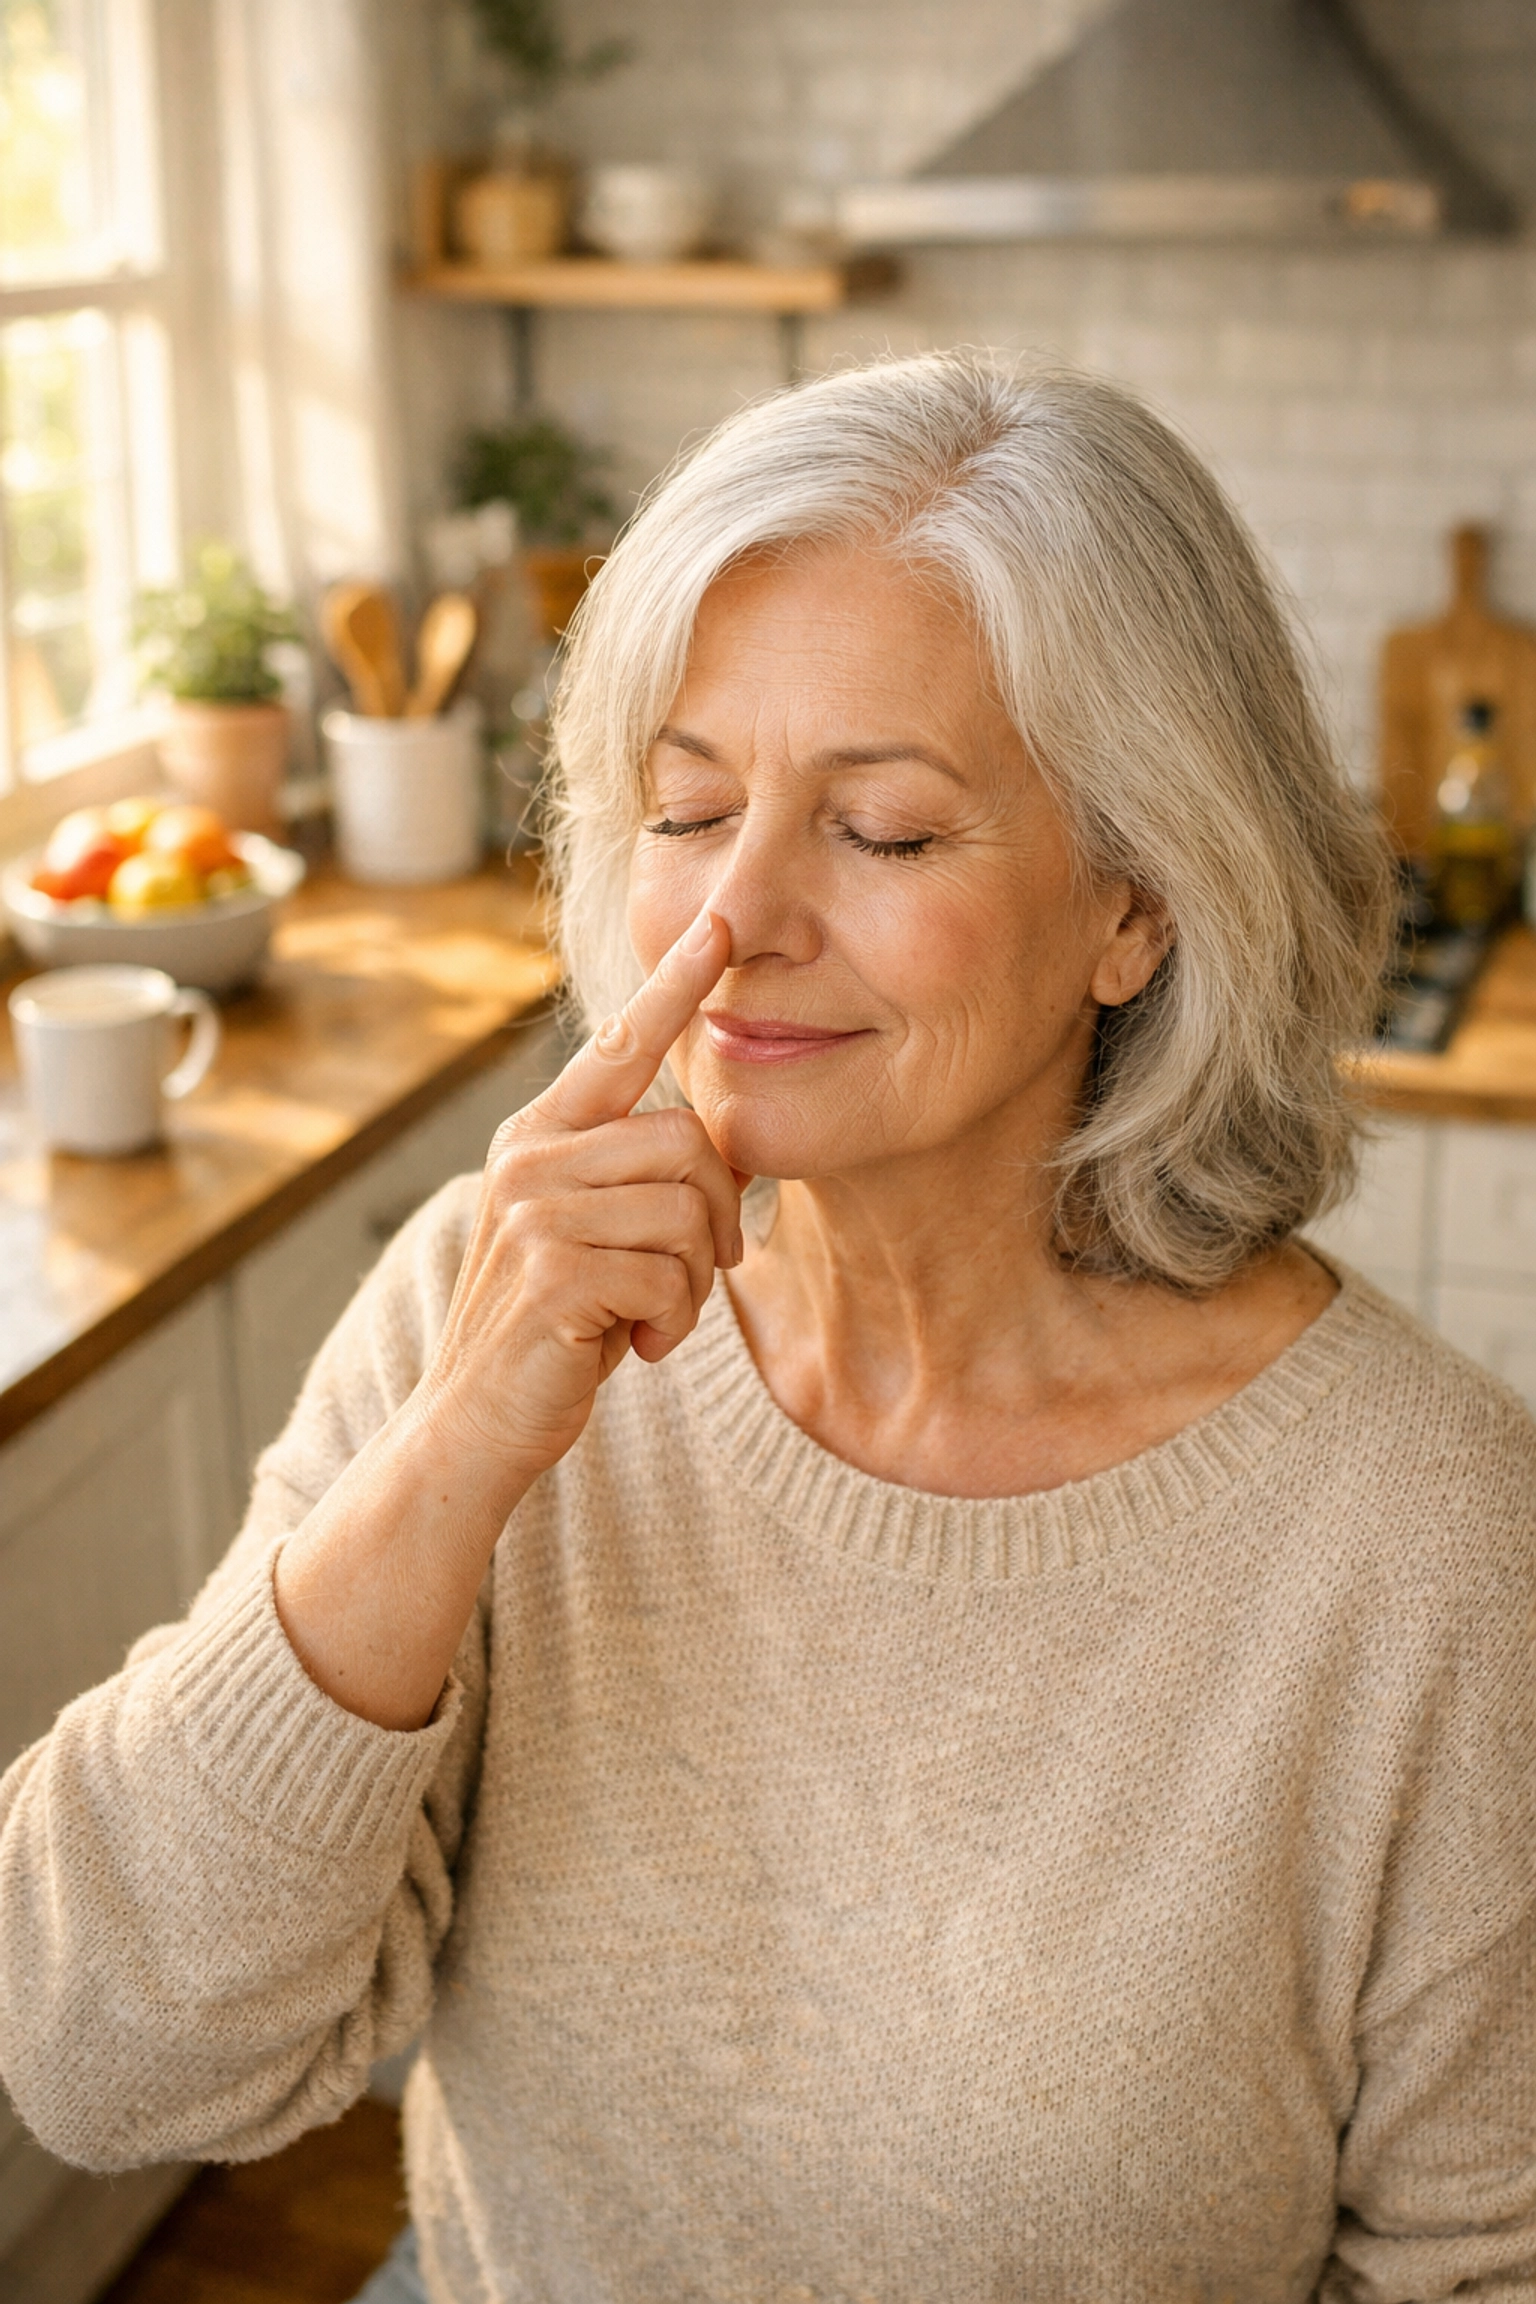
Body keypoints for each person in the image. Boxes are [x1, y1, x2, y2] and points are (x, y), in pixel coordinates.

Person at [2, 353, 1534, 2304]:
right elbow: (98, 2055)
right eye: (688, 805)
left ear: (1136, 906)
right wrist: (451, 1458)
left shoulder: (1437, 1546)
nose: (733, 918)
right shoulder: (483, 1316)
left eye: (882, 832)